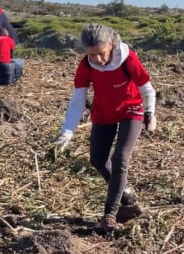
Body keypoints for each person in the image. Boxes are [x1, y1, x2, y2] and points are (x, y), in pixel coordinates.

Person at [54, 24, 156, 230]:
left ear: (111, 45)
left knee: (120, 158)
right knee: (98, 160)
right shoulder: (86, 66)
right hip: (104, 112)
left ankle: (109, 215)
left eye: (101, 53)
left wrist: (149, 112)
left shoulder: (127, 59)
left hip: (131, 110)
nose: (97, 59)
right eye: (92, 55)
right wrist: (66, 133)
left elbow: (147, 89)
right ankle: (127, 198)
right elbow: (77, 102)